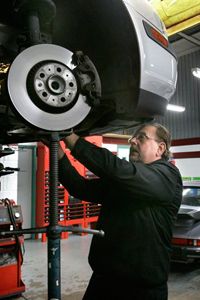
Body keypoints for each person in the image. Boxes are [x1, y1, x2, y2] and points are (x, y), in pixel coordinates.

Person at [57, 122, 182, 300]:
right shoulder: (125, 182)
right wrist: (57, 151)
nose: (133, 142)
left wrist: (69, 136)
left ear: (160, 148)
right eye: (133, 138)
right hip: (103, 282)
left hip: (141, 290)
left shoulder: (167, 176)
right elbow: (80, 188)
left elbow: (117, 169)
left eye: (141, 138)